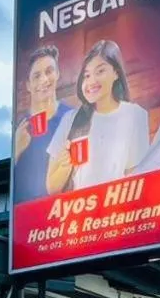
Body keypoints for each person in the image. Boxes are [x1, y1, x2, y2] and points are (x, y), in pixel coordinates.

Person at [46, 39, 150, 194]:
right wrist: (64, 166)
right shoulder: (70, 119)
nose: (91, 81)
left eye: (100, 71)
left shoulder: (135, 115)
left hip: (118, 213)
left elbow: (137, 181)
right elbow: (51, 188)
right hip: (78, 213)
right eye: (87, 75)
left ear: (116, 72)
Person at [12, 45, 72, 204]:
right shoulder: (18, 128)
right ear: (28, 85)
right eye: (37, 75)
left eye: (49, 71)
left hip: (64, 215)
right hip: (26, 220)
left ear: (58, 74)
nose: (44, 80)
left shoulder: (73, 117)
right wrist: (16, 150)